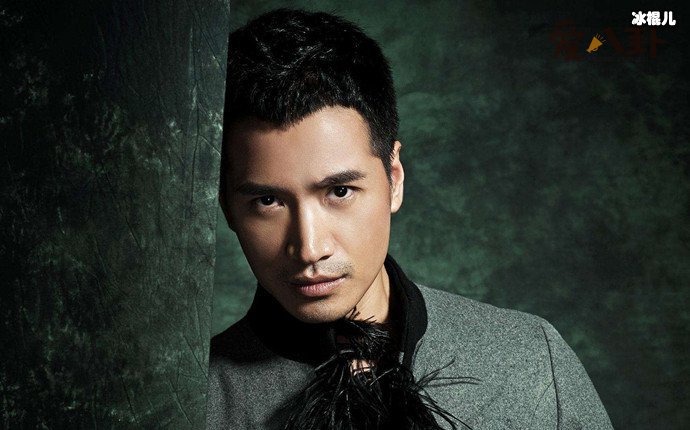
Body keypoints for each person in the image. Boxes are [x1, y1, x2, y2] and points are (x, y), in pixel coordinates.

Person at [207, 8, 612, 430]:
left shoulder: (528, 361)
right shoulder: (189, 404)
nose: (310, 248)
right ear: (226, 206)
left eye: (340, 192)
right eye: (268, 201)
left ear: (394, 178)